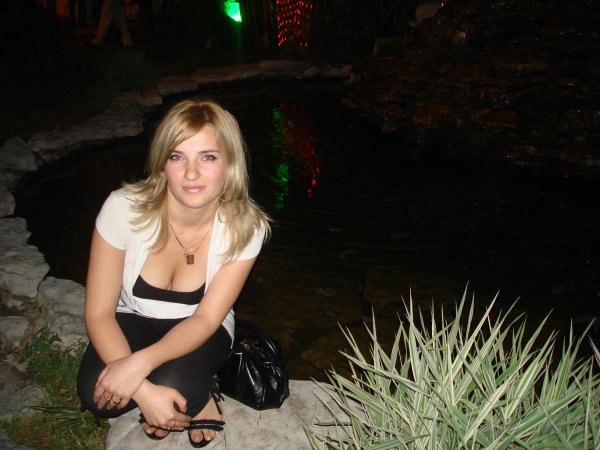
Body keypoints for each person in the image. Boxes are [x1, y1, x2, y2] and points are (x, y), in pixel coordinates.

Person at [77, 98, 271, 447]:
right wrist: (142, 390)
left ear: (229, 163)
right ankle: (179, 389)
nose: (191, 174)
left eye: (208, 157)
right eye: (177, 156)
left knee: (178, 390)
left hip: (200, 325)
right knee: (100, 398)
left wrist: (140, 365)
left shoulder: (246, 227)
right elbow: (99, 313)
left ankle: (205, 391)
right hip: (132, 315)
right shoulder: (123, 209)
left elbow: (207, 318)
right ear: (162, 163)